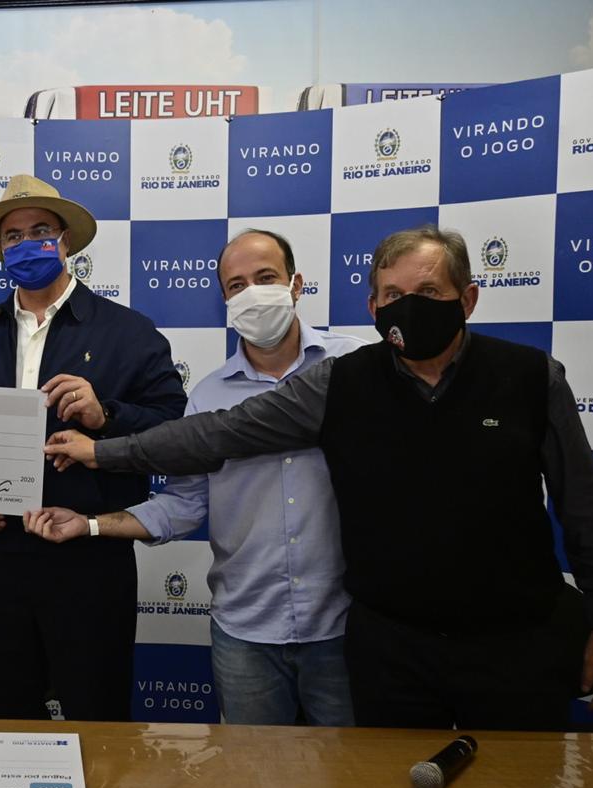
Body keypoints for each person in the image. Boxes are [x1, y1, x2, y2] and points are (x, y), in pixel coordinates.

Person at [45, 225, 593, 730]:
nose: (410, 309)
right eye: (393, 296)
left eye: (428, 293)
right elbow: (215, 435)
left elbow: (586, 511)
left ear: (467, 299)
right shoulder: (345, 382)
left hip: (509, 640)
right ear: (374, 306)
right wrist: (103, 452)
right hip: (390, 646)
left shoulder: (529, 376)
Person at [26, 230, 364, 726]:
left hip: (345, 627)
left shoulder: (355, 366)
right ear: (225, 300)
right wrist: (90, 523)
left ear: (296, 285)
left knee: (357, 771)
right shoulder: (208, 396)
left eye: (266, 278)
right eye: (237, 285)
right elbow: (183, 504)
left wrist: (102, 450)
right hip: (247, 633)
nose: (252, 293)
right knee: (251, 772)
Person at [0, 175, 187, 721]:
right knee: (4, 718)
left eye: (40, 231)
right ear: (0, 249)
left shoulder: (129, 332)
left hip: (90, 563)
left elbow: (175, 432)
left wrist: (107, 416)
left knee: (97, 720)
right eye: (13, 236)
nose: (26, 243)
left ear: (65, 240)